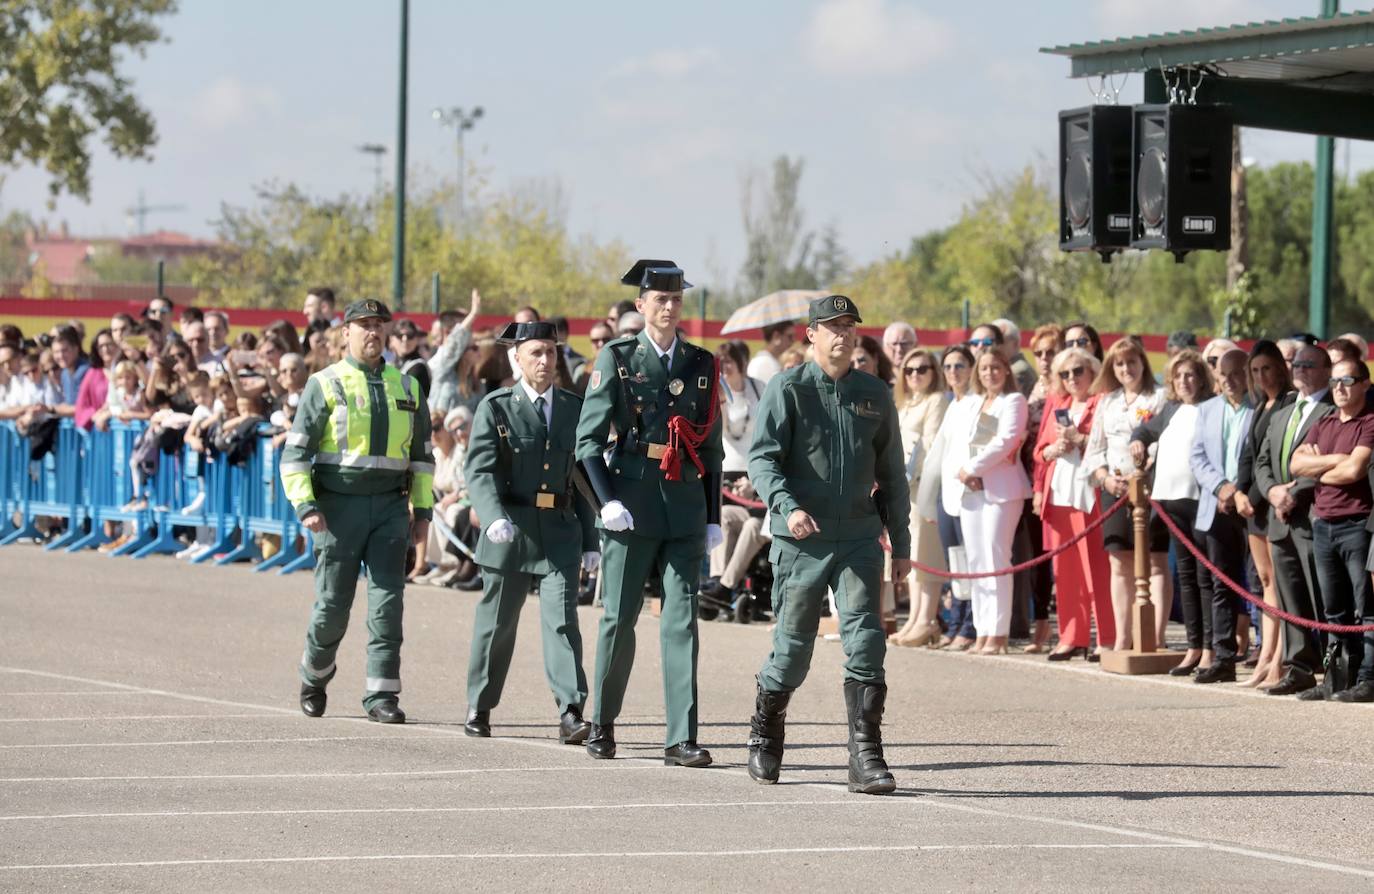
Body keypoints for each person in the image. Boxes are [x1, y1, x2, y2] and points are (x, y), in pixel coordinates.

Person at [744, 294, 909, 795]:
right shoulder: (788, 389)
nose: (842, 334)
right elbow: (763, 459)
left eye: (849, 326)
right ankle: (766, 732)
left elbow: (893, 475)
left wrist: (900, 544)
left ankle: (866, 754)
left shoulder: (874, 394)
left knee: (865, 638)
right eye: (831, 326)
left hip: (859, 536)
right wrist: (785, 505)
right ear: (810, 334)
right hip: (803, 539)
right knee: (793, 649)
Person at [574, 260, 723, 767]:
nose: (669, 306)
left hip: (682, 502)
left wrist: (713, 515)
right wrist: (605, 501)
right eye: (659, 298)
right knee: (618, 619)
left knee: (682, 621)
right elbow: (587, 443)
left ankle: (681, 736)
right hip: (631, 502)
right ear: (640, 306)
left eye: (676, 298)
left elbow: (714, 449)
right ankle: (603, 723)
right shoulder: (617, 359)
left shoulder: (702, 363)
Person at [280, 299, 436, 724]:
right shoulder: (324, 383)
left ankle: (381, 696)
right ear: (344, 333)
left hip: (388, 507)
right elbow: (295, 454)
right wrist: (306, 506)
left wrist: (422, 512)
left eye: (378, 325)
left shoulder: (406, 386)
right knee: (332, 605)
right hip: (337, 509)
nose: (373, 332)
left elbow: (422, 457)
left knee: (388, 604)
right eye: (363, 325)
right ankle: (314, 675)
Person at [461, 321, 598, 743]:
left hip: (559, 529)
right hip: (512, 529)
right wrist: (492, 513)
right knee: (498, 622)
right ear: (515, 358)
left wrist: (592, 541)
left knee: (562, 621)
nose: (545, 361)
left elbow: (583, 476)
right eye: (535, 353)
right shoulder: (497, 406)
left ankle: (570, 710)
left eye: (551, 353)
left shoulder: (575, 409)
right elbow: (479, 469)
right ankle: (480, 704)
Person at [1290, 357, 1374, 702]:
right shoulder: (1323, 423)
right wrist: (1335, 461)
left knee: (1365, 607)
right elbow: (1296, 464)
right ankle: (1336, 677)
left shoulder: (1369, 423)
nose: (1339, 388)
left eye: (1348, 380)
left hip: (1356, 523)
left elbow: (1354, 471)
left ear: (1365, 384)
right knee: (1333, 609)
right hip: (1322, 523)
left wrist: (1317, 467)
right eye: (1336, 381)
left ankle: (1368, 678)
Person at [1254, 345, 1333, 697]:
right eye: (1296, 363)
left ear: (1325, 370)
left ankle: (1334, 669)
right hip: (1279, 517)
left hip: (1311, 514)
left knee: (1324, 596)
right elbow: (1263, 461)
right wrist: (1272, 492)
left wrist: (1294, 493)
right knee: (1289, 597)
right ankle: (1299, 665)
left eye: (1307, 364)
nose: (1299, 368)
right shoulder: (1284, 410)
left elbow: (1330, 461)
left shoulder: (1331, 411)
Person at [1084, 337, 1169, 655]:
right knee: (1119, 562)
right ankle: (1123, 636)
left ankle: (1155, 637)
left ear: (1143, 363)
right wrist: (1105, 478)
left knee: (1155, 561)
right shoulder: (1108, 401)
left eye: (1131, 362)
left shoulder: (1159, 397)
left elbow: (1163, 440)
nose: (1125, 369)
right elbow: (1095, 450)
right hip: (1116, 488)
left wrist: (1144, 469)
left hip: (1151, 486)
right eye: (1119, 364)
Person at [1131, 351, 1214, 675]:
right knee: (1186, 578)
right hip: (1169, 503)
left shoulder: (1211, 408)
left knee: (1205, 576)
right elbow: (1144, 430)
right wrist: (1138, 440)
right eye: (1178, 376)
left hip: (1199, 500)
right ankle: (1193, 646)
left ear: (1202, 378)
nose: (1184, 382)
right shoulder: (1171, 409)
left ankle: (1210, 647)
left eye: (1191, 375)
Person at [949, 349, 1030, 653]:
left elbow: (1005, 441)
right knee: (977, 561)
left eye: (995, 367)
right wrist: (964, 472)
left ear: (1006, 370)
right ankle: (982, 629)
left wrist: (972, 468)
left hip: (1001, 489)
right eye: (984, 369)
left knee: (997, 557)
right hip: (971, 489)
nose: (989, 373)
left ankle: (998, 631)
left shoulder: (1014, 401)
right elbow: (963, 442)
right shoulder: (975, 403)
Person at [1034, 346, 1112, 660]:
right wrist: (1052, 450)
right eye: (1064, 374)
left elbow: (1106, 443)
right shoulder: (1057, 402)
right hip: (1060, 494)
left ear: (1092, 372)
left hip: (1089, 494)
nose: (1071, 378)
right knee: (1064, 572)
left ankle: (1106, 637)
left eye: (1078, 371)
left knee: (1097, 570)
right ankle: (1071, 635)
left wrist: (1078, 438)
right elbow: (1039, 450)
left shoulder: (1101, 401)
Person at [1188, 349, 1254, 684]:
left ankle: (1268, 652)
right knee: (1220, 584)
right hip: (1215, 504)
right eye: (1223, 373)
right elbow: (1197, 457)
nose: (1229, 379)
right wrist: (1221, 487)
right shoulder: (1207, 410)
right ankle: (1223, 657)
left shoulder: (1259, 409)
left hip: (1249, 505)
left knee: (1258, 582)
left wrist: (1238, 490)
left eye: (1236, 372)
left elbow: (1259, 457)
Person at [1234, 340, 1295, 688]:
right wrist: (1239, 492)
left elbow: (1272, 460)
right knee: (1265, 582)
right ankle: (1267, 654)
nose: (1262, 376)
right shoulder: (1260, 406)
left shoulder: (1288, 403)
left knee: (1281, 584)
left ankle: (1280, 659)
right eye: (1255, 371)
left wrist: (1253, 496)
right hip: (1253, 507)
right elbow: (1249, 456)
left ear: (1281, 369)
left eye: (1267, 369)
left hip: (1272, 504)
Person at [701, 340, 768, 616]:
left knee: (754, 526)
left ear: (741, 362)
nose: (725, 366)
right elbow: (720, 429)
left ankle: (727, 585)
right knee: (724, 516)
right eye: (721, 361)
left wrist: (756, 476)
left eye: (729, 361)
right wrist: (722, 399)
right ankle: (718, 580)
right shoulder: (719, 393)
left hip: (755, 473)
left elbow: (766, 431)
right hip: (729, 469)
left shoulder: (758, 389)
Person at [888, 347, 949, 648]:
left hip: (923, 483)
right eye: (909, 370)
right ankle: (914, 617)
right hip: (903, 485)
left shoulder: (936, 400)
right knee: (910, 555)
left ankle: (927, 618)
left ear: (934, 372)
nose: (915, 375)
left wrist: (912, 476)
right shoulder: (906, 402)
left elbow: (932, 444)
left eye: (922, 369)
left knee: (927, 554)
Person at [930, 344, 977, 650]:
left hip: (969, 494)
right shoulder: (951, 404)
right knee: (955, 563)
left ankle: (971, 625)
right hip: (946, 494)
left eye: (960, 365)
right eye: (948, 367)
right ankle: (957, 619)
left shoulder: (977, 403)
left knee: (972, 563)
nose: (954, 372)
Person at [427, 290, 481, 413]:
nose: (468, 332)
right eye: (473, 348)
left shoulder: (472, 378)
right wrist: (473, 314)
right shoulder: (441, 363)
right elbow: (454, 344)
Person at [993, 318, 1036, 397]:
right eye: (992, 342)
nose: (995, 347)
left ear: (1015, 344)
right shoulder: (1009, 367)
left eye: (1000, 342)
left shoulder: (1018, 370)